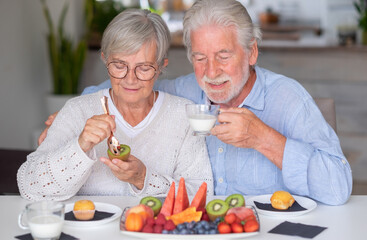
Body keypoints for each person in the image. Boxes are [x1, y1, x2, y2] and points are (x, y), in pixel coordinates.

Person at [39, 0, 352, 205]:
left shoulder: (289, 98)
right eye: (200, 58)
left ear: (252, 52)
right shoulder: (183, 92)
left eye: (223, 56)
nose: (211, 72)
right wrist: (73, 117)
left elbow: (338, 187)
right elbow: (129, 81)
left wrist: (264, 139)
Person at [18, 9, 213, 201]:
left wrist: (143, 178)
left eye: (144, 68)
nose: (130, 79)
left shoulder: (183, 116)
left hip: (152, 233)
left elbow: (202, 195)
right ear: (105, 59)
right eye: (119, 66)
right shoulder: (77, 110)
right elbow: (29, 187)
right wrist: (81, 145)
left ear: (161, 66)